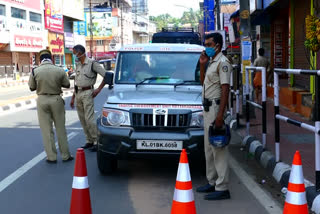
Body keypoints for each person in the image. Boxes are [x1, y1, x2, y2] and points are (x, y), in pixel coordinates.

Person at [197, 33, 232, 200]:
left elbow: (225, 89)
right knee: (208, 148)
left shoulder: (223, 63)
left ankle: (222, 187)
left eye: (209, 44)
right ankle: (212, 182)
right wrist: (202, 65)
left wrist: (220, 116)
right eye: (206, 44)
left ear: (217, 45)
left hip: (216, 108)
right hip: (207, 108)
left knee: (218, 148)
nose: (206, 47)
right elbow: (203, 82)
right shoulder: (211, 62)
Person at [28, 49, 73, 163]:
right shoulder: (59, 70)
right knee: (60, 128)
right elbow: (67, 84)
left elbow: (32, 87)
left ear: (40, 59)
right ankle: (65, 155)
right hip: (56, 99)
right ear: (51, 58)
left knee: (46, 130)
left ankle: (51, 157)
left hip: (42, 100)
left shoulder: (35, 71)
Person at [70, 44, 107, 152]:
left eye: (74, 53)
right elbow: (76, 82)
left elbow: (106, 75)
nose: (74, 55)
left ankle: (96, 141)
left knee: (89, 119)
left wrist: (98, 89)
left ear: (79, 52)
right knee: (82, 119)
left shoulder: (92, 63)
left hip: (88, 92)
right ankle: (89, 140)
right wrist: (73, 97)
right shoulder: (78, 64)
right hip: (78, 93)